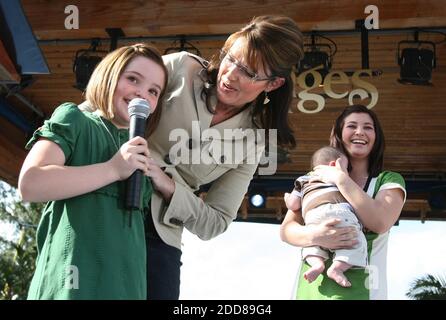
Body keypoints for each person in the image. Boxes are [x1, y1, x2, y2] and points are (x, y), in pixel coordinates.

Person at [144, 15, 304, 299]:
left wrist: (168, 187)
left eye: (249, 72)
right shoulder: (181, 66)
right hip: (111, 195)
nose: (230, 75)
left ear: (273, 84)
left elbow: (215, 222)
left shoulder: (254, 143)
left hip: (160, 235)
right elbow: (105, 102)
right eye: (231, 59)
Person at [18, 43, 168, 299]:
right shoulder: (75, 120)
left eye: (153, 91)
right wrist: (112, 169)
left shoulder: (141, 153)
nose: (142, 93)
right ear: (108, 75)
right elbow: (31, 183)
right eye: (133, 79)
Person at [280, 104, 406, 300]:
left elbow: (380, 222)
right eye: (352, 126)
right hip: (309, 293)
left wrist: (341, 179)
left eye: (368, 127)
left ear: (376, 138)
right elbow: (287, 231)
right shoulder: (316, 177)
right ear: (339, 134)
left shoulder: (388, 181)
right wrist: (317, 235)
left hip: (364, 293)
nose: (360, 132)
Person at [285, 146, 367, 288]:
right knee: (355, 240)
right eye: (346, 168)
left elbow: (293, 205)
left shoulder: (303, 179)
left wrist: (287, 198)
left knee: (311, 244)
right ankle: (337, 268)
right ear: (334, 165)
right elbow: (355, 198)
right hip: (338, 211)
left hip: (312, 217)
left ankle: (317, 264)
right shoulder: (338, 177)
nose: (347, 172)